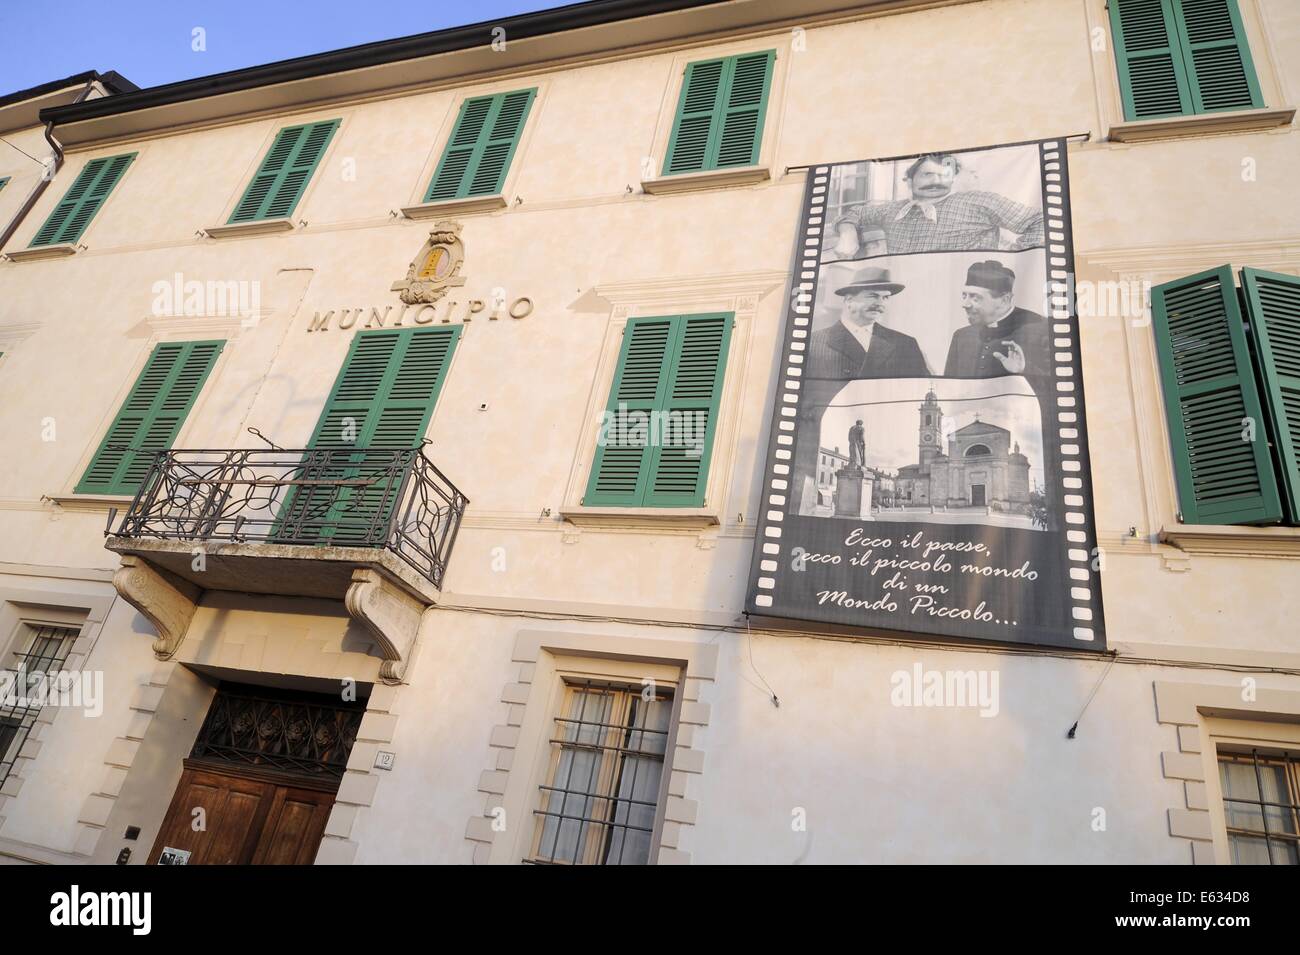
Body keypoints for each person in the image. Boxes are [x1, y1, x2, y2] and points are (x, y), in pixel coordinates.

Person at [830, 153, 1044, 257]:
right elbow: (854, 213)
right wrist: (848, 235)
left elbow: (1041, 221)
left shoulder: (979, 201)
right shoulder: (893, 210)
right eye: (928, 174)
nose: (936, 181)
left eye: (944, 176)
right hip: (906, 300)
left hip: (964, 301)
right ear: (910, 180)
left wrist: (1010, 260)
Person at [808, 267, 930, 379]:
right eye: (873, 296)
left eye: (885, 297)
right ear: (849, 300)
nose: (880, 303)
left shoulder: (905, 344)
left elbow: (920, 389)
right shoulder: (814, 343)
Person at [943, 260, 1049, 379]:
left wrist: (1024, 369)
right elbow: (948, 388)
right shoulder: (961, 336)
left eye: (975, 298)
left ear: (1004, 300)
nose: (965, 304)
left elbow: (1058, 387)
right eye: (964, 296)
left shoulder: (1043, 331)